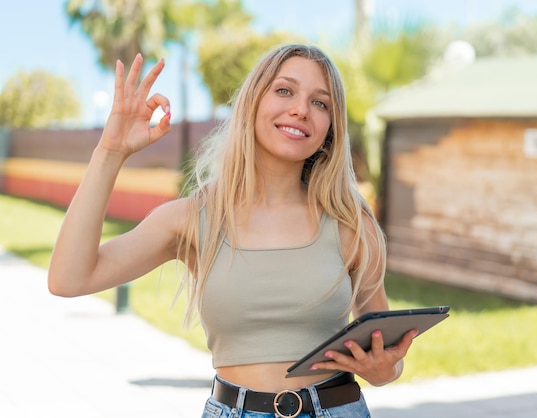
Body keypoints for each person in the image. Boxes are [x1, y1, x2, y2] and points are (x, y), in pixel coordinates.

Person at [48, 43, 418, 418]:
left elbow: (385, 355)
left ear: (330, 128)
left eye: (320, 103)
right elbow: (69, 278)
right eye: (285, 90)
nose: (301, 110)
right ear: (253, 101)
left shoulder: (350, 222)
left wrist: (386, 368)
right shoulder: (192, 218)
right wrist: (110, 151)